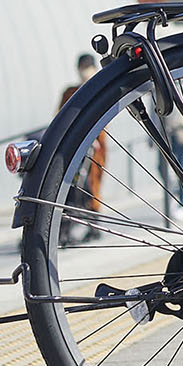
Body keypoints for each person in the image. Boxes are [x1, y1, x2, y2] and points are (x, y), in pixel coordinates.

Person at [57, 54, 106, 245]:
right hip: (76, 147)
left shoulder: (101, 89)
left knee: (91, 186)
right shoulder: (71, 92)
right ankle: (71, 230)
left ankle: (94, 227)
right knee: (75, 187)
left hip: (95, 148)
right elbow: (59, 118)